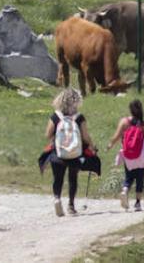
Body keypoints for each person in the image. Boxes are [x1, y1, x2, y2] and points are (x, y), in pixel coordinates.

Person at [44, 88, 94, 217]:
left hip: (58, 152)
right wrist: (92, 146)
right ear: (77, 101)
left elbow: (48, 134)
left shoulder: (55, 116)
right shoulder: (79, 118)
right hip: (75, 153)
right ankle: (71, 206)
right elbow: (85, 137)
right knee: (73, 179)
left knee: (58, 178)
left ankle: (57, 198)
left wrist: (55, 140)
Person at [108, 99, 144, 212]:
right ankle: (137, 203)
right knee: (140, 178)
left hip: (128, 154)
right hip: (141, 155)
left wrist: (109, 145)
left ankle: (125, 190)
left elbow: (116, 137)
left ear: (130, 110)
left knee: (129, 176)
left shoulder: (124, 122)